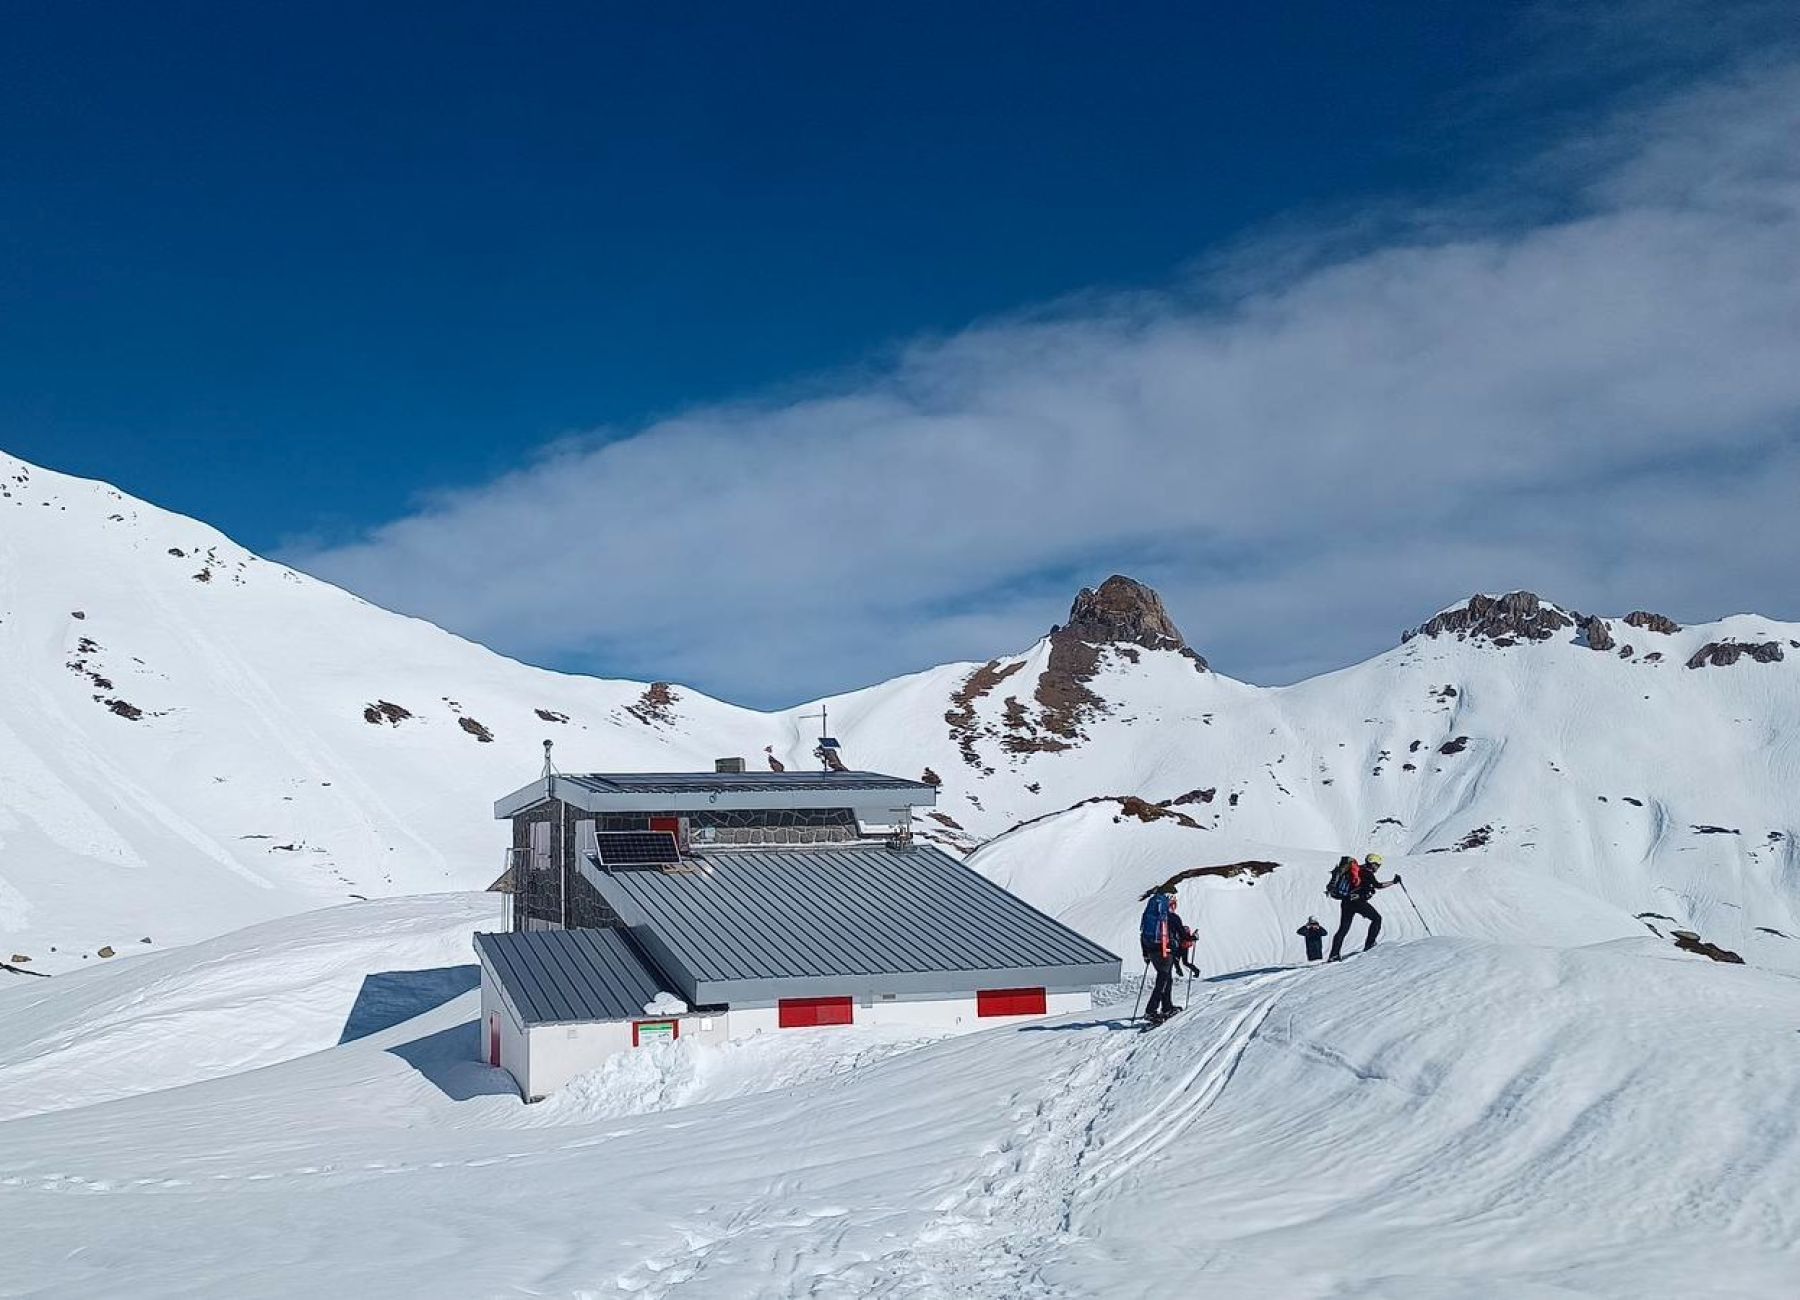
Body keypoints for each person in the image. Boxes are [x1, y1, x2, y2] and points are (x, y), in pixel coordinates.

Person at [1328, 853, 1401, 961]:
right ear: (1373, 863)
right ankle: (1370, 944)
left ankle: (1334, 955)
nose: (1377, 868)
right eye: (1377, 865)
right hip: (1358, 902)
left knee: (1343, 930)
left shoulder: (1358, 869)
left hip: (1346, 902)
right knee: (1377, 919)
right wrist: (1393, 882)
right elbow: (1378, 885)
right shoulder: (1367, 873)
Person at [1138, 887, 1180, 1023]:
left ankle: (1167, 1007)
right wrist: (1193, 938)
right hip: (1164, 951)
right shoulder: (1171, 917)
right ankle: (1151, 1011)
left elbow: (1142, 933)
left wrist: (1145, 954)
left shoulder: (1150, 914)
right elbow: (1183, 935)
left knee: (1166, 979)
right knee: (1162, 981)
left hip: (1151, 949)